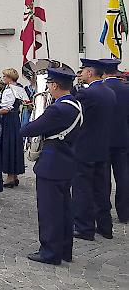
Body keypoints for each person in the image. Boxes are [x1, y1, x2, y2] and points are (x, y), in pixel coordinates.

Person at [20, 66, 83, 265]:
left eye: (48, 85)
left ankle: (50, 252)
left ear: (55, 85)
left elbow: (29, 129)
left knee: (49, 211)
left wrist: (35, 115)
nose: (47, 88)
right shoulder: (75, 104)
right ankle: (65, 249)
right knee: (64, 209)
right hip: (66, 161)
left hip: (51, 163)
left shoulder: (57, 109)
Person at [72, 58, 116, 240]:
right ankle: (105, 226)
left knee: (82, 188)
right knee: (101, 188)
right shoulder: (109, 92)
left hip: (85, 147)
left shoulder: (88, 93)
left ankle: (84, 227)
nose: (80, 74)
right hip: (103, 147)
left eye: (83, 71)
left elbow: (72, 108)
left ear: (90, 73)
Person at [100, 58, 129, 223]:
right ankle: (124, 213)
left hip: (103, 140)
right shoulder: (126, 89)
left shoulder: (100, 89)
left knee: (104, 179)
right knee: (123, 176)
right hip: (123, 138)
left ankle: (104, 214)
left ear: (103, 72)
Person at [0, 68, 29, 187]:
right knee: (14, 144)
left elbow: (6, 108)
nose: (3, 78)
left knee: (9, 145)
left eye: (5, 76)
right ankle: (14, 175)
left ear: (10, 78)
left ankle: (10, 176)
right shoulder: (19, 87)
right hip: (15, 118)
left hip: (9, 119)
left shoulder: (9, 90)